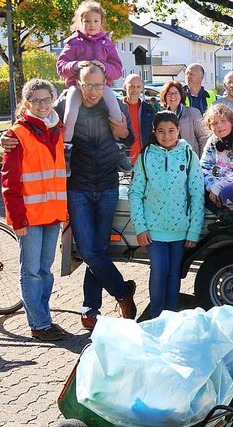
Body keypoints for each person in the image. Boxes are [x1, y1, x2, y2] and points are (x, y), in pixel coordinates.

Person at [63, 65, 136, 329]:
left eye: (98, 85)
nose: (93, 91)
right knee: (88, 250)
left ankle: (90, 309)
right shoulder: (67, 105)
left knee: (99, 250)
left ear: (105, 83)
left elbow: (130, 140)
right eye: (88, 85)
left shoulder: (114, 105)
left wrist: (124, 133)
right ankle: (122, 291)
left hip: (107, 186)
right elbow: (42, 119)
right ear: (79, 84)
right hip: (78, 187)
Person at [1, 79, 67, 341]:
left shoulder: (57, 129)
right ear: (27, 103)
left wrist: (65, 212)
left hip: (52, 214)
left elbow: (59, 175)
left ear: (53, 99)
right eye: (36, 101)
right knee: (31, 271)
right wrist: (16, 218)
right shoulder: (17, 134)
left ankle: (44, 319)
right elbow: (9, 180)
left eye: (46, 99)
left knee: (45, 271)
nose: (42, 105)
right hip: (28, 216)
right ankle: (39, 325)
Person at [128, 111, 204, 318]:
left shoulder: (188, 156)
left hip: (180, 230)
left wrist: (193, 230)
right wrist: (141, 227)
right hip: (154, 230)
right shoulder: (146, 157)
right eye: (161, 131)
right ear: (155, 132)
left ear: (178, 130)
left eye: (171, 130)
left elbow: (196, 194)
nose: (167, 135)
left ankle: (169, 318)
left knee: (173, 274)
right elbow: (135, 193)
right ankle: (155, 317)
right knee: (159, 270)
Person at [56, 0, 129, 172]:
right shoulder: (73, 42)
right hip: (78, 86)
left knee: (116, 112)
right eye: (87, 21)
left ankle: (119, 149)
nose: (91, 25)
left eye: (95, 21)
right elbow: (61, 66)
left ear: (101, 22)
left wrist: (105, 67)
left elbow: (117, 69)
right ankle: (66, 154)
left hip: (102, 86)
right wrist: (76, 65)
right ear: (80, 22)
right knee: (70, 115)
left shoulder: (107, 43)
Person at [159, 80, 209, 158]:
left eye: (176, 93)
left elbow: (204, 139)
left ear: (181, 95)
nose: (173, 97)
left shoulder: (193, 113)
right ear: (164, 96)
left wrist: (201, 162)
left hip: (190, 162)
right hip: (170, 162)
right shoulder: (160, 117)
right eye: (169, 94)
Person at [122, 74, 154, 165]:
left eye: (138, 86)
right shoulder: (117, 108)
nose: (135, 90)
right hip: (121, 160)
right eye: (131, 86)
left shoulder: (148, 109)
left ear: (142, 88)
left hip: (142, 160)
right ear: (124, 87)